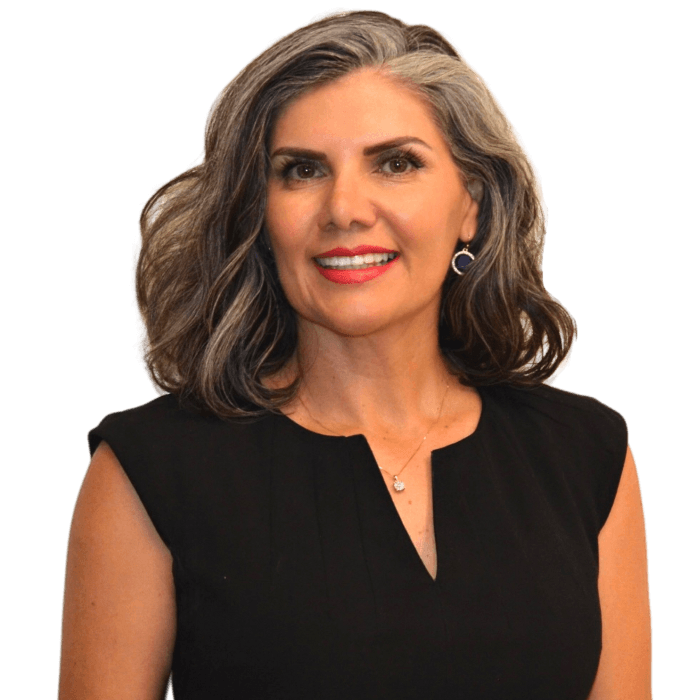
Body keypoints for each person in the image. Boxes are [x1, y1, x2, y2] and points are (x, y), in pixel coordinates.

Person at [57, 7, 652, 699]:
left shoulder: (586, 455)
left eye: (396, 163)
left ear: (472, 205)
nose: (344, 208)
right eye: (302, 170)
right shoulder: (150, 472)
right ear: (259, 214)